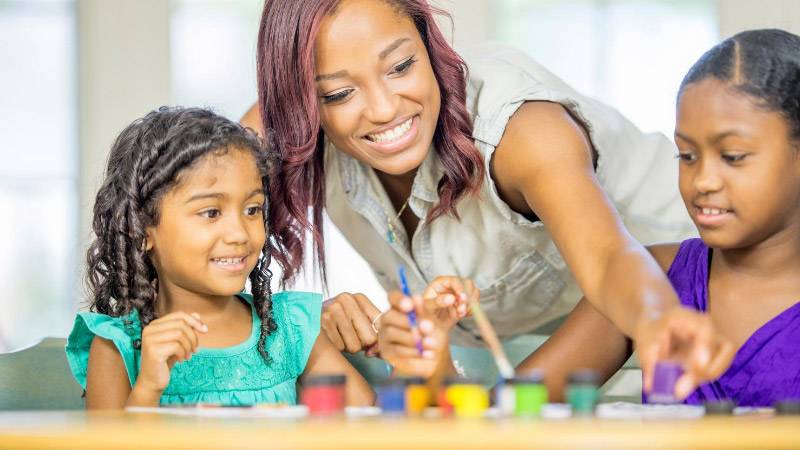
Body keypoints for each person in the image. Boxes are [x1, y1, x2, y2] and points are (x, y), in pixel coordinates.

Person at [243, 0, 732, 389]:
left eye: (400, 66)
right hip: (522, 357)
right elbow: (186, 203)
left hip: (685, 316)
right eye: (338, 94)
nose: (383, 108)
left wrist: (657, 320)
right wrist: (305, 316)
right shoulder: (286, 126)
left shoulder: (523, 131)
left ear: (428, 42)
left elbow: (608, 262)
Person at [504, 29, 800, 405]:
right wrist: (436, 366)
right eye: (687, 156)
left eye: (733, 156)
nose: (703, 181)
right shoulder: (649, 280)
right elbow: (507, 411)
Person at [65, 107, 374, 409]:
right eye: (211, 212)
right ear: (143, 231)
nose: (239, 233)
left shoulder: (289, 328)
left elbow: (366, 420)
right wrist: (148, 387)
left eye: (252, 209)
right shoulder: (117, 347)